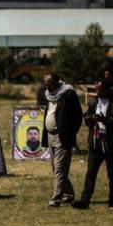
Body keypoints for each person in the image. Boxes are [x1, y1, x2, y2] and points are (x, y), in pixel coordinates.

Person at [73, 78, 113, 209]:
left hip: (112, 143)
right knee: (91, 172)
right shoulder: (94, 101)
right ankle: (84, 200)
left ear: (109, 89)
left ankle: (112, 201)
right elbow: (86, 117)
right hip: (95, 141)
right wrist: (90, 119)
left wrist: (105, 119)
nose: (99, 93)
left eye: (102, 90)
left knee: (112, 173)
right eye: (97, 90)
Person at [41, 72, 83, 207]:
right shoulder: (49, 94)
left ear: (57, 82)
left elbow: (77, 116)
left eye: (49, 83)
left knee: (59, 169)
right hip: (50, 135)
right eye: (45, 83)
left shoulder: (68, 94)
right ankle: (68, 194)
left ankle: (56, 198)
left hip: (63, 136)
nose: (46, 86)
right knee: (56, 168)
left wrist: (70, 133)